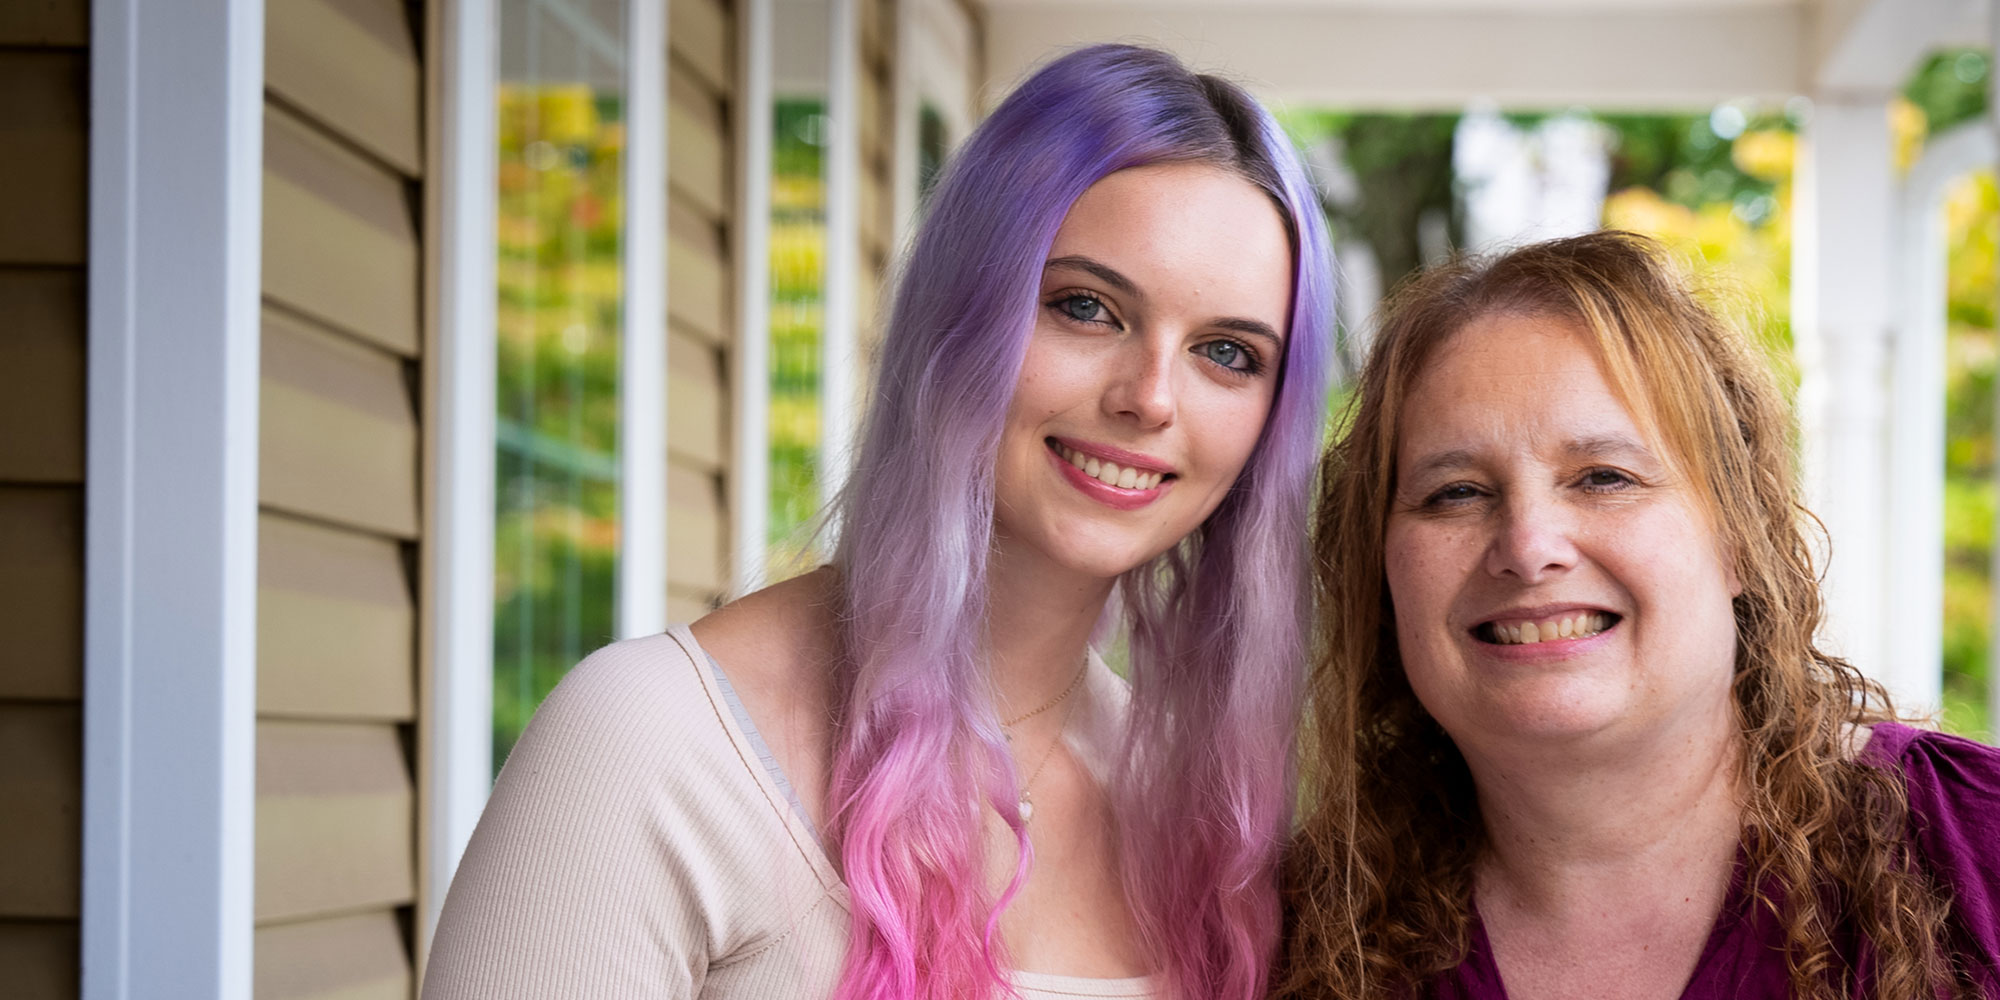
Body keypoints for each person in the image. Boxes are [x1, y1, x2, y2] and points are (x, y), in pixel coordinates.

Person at [422, 44, 1333, 1000]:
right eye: (1085, 307)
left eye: (1227, 353)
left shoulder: (1207, 821)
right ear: (961, 318)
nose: (1150, 397)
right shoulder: (654, 745)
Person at [1275, 231, 2000, 999]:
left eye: (1603, 477)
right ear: (1382, 575)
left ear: (1740, 541)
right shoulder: (1281, 940)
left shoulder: (1975, 852)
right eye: (1455, 491)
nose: (1528, 547)